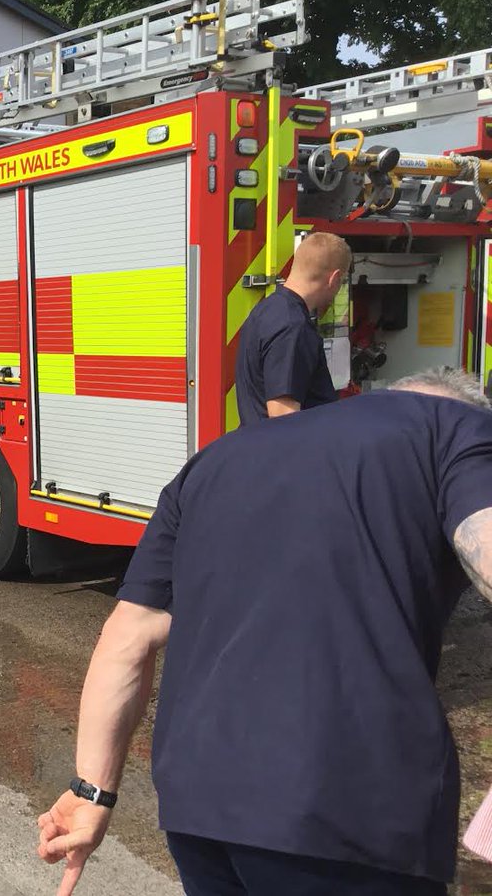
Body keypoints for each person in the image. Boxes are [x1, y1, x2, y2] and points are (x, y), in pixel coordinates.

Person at [37, 367, 492, 896]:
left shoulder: (216, 459)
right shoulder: (458, 429)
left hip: (199, 809)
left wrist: (91, 792)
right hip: (346, 811)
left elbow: (127, 637)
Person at [235, 231, 351, 425]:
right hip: (279, 453)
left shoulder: (266, 310)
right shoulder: (292, 326)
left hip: (259, 446)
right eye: (342, 281)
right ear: (334, 278)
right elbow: (283, 415)